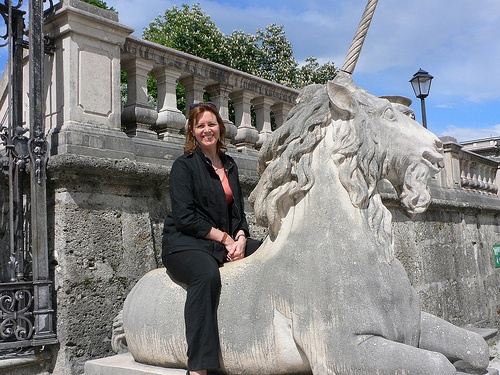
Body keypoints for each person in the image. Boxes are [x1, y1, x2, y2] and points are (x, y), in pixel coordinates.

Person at [162, 102, 261, 375]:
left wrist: (240, 237)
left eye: (211, 124)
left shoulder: (230, 165)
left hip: (223, 239)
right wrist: (226, 240)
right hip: (185, 243)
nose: (207, 130)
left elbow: (238, 212)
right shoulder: (184, 166)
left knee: (268, 251)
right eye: (200, 125)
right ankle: (199, 367)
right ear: (192, 132)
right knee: (206, 275)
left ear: (221, 127)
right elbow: (185, 217)